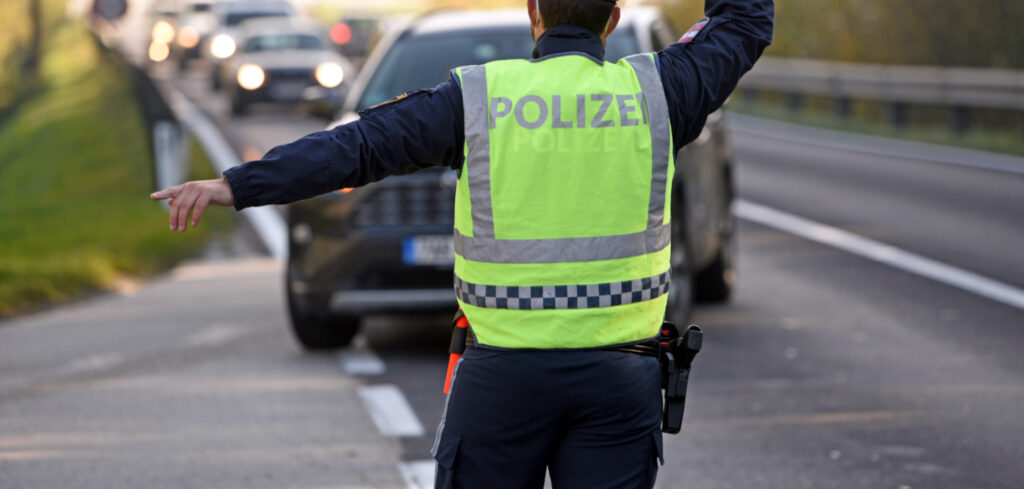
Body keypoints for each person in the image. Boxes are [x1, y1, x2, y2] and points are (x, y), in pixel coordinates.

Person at [151, 0, 773, 487]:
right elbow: (743, 20)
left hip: (501, 383)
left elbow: (356, 147)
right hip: (620, 380)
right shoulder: (657, 93)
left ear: (534, 14)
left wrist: (237, 184)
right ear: (613, 21)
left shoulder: (478, 98)